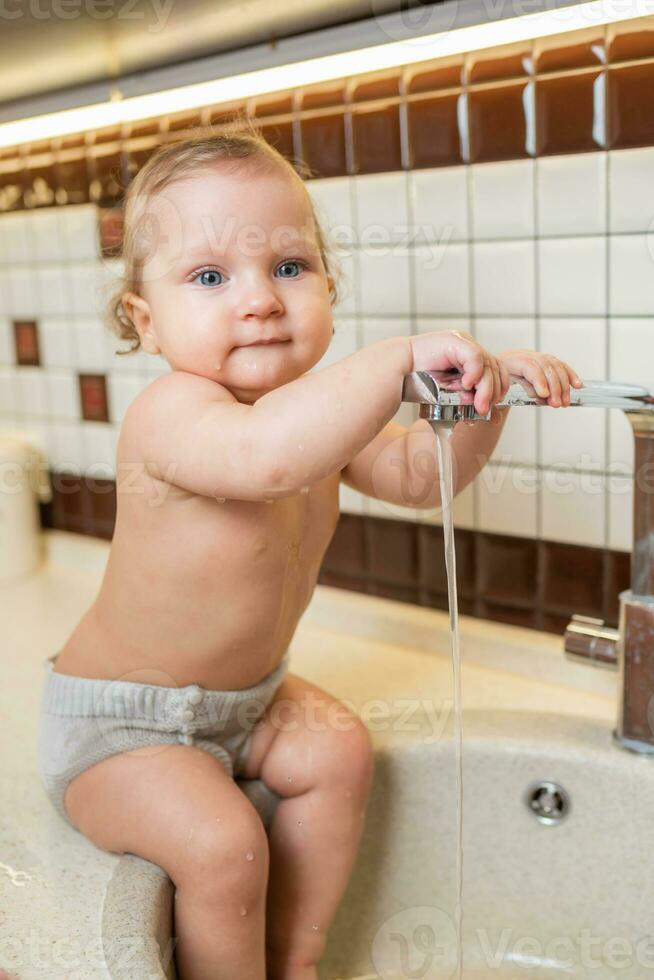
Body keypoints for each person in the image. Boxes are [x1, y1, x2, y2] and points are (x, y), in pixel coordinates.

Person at [36, 120, 582, 980]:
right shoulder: (174, 415)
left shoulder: (310, 410)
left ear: (329, 284)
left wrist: (486, 397)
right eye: (210, 277)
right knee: (223, 849)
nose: (259, 299)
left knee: (338, 751)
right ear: (146, 321)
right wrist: (398, 361)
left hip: (245, 702)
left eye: (288, 267)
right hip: (121, 725)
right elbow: (267, 458)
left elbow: (415, 475)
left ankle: (297, 959)